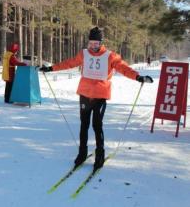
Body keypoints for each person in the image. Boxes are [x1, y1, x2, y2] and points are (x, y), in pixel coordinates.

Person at [40, 27, 153, 172]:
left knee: (97, 125)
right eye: (90, 43)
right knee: (84, 125)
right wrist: (50, 69)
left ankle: (100, 155)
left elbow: (124, 68)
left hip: (100, 95)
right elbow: (69, 63)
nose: (93, 46)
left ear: (101, 42)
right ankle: (82, 153)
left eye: (96, 43)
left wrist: (138, 77)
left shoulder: (110, 56)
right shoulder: (84, 54)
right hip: (85, 94)